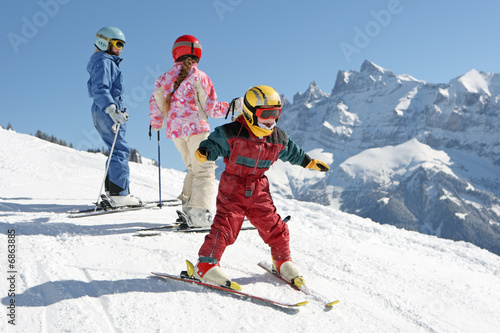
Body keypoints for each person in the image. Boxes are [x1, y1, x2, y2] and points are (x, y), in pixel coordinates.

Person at [191, 85, 330, 290]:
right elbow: (215, 143)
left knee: (274, 225)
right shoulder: (232, 132)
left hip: (258, 188)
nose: (271, 120)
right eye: (266, 114)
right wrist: (205, 151)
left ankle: (282, 260)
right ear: (249, 113)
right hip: (234, 186)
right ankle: (205, 264)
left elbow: (292, 152)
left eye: (276, 114)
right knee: (226, 226)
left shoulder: (277, 137)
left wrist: (308, 162)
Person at [149, 35, 229, 227]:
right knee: (204, 170)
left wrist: (157, 123)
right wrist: (230, 108)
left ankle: (189, 209)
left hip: (176, 133)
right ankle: (199, 214)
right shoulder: (200, 77)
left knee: (193, 168)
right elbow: (211, 108)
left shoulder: (162, 79)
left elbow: (156, 106)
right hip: (197, 130)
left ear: (175, 53)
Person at [87, 26, 141, 207]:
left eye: (122, 45)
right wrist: (112, 110)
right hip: (107, 110)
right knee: (119, 149)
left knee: (114, 149)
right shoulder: (104, 61)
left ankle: (113, 191)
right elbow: (100, 88)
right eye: (117, 44)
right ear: (104, 42)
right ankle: (119, 194)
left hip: (103, 108)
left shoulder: (104, 61)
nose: (119, 49)